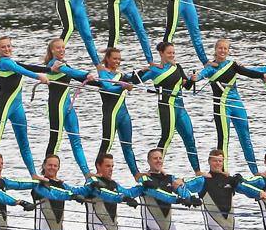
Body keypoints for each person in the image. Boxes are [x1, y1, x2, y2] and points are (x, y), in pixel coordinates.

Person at [191, 39, 266, 175]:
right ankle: (223, 171)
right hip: (221, 105)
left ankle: (255, 171)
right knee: (224, 138)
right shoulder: (210, 68)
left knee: (245, 137)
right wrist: (194, 78)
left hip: (237, 104)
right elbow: (200, 76)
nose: (222, 51)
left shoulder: (232, 65)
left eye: (225, 49)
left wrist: (262, 75)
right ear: (215, 50)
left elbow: (247, 72)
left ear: (228, 51)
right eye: (220, 48)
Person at [0, 36, 49, 177]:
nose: (7, 49)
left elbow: (27, 67)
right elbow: (22, 71)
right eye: (3, 47)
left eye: (9, 46)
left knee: (24, 141)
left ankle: (33, 174)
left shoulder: (12, 61)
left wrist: (50, 70)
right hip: (4, 106)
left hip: (17, 108)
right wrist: (39, 77)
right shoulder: (3, 63)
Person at [139, 42, 200, 172]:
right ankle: (155, 171)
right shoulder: (154, 70)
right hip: (166, 107)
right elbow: (135, 80)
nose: (172, 55)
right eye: (169, 53)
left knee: (189, 138)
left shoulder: (178, 67)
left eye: (173, 52)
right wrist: (141, 71)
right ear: (161, 54)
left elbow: (187, 86)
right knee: (167, 137)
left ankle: (198, 171)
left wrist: (192, 79)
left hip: (180, 108)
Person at [40, 37, 97, 176]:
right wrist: (86, 74)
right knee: (56, 139)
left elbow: (78, 77)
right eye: (58, 48)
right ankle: (47, 175)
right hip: (56, 106)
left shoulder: (64, 63)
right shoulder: (54, 64)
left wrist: (104, 84)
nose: (62, 50)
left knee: (76, 140)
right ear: (52, 50)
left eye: (63, 47)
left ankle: (87, 174)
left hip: (68, 107)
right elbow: (73, 73)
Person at [93, 47, 142, 176]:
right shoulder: (103, 73)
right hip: (111, 114)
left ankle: (136, 174)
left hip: (124, 116)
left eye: (119, 59)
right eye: (114, 58)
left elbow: (132, 78)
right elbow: (109, 88)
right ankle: (99, 174)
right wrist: (123, 86)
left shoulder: (121, 75)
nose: (117, 61)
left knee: (127, 145)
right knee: (106, 144)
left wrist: (143, 71)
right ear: (107, 59)